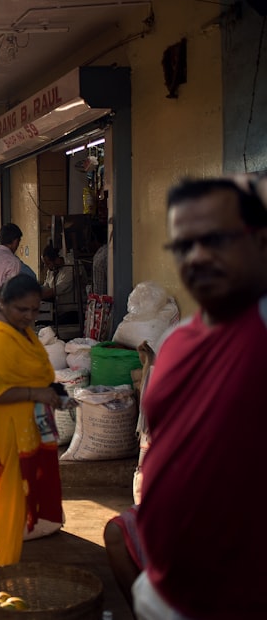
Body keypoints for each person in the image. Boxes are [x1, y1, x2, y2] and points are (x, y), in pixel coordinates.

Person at [131, 178, 267, 620]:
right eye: (184, 243)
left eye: (216, 239)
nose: (198, 256)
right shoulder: (175, 343)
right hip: (167, 593)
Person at [0, 274, 64, 572]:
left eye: (35, 310)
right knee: (9, 506)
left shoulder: (15, 326)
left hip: (19, 425)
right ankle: (1, 576)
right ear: (3, 303)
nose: (30, 316)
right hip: (4, 432)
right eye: (23, 310)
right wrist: (37, 392)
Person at [40, 245, 83, 325]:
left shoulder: (71, 266)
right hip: (59, 310)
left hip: (73, 311)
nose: (46, 266)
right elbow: (46, 285)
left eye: (48, 263)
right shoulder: (52, 269)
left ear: (56, 260)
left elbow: (60, 288)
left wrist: (37, 296)